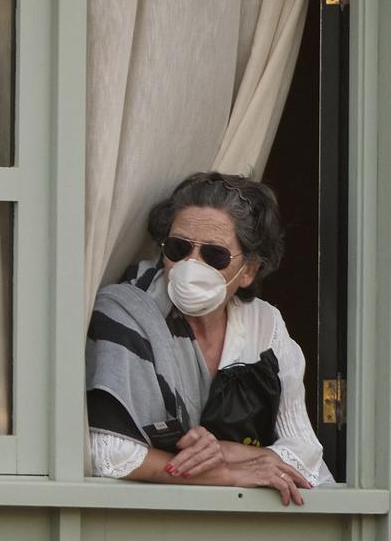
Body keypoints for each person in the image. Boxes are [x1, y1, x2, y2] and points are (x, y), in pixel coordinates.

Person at [86, 172, 334, 506]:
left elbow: (305, 458)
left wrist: (224, 450)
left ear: (248, 270)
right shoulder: (124, 312)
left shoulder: (265, 325)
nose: (191, 265)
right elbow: (110, 454)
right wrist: (229, 472)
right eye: (179, 248)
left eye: (214, 256)